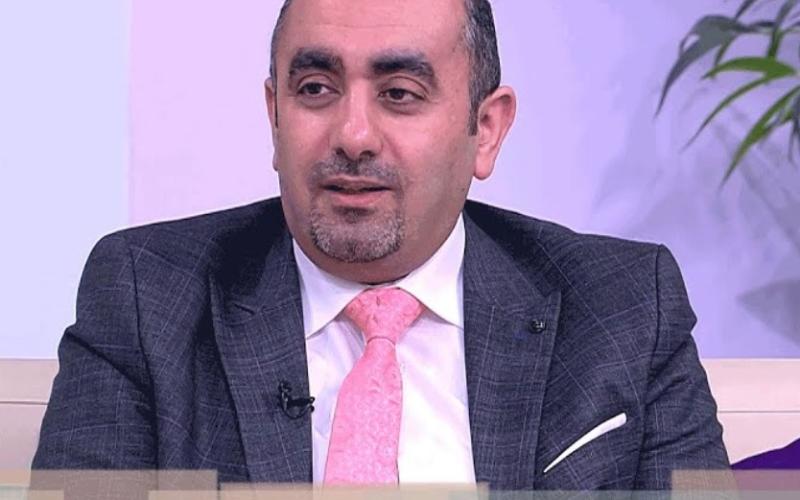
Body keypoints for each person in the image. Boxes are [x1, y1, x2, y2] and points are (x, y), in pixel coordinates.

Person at [32, 0, 729, 490]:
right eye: (315, 88)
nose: (354, 135)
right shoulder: (145, 296)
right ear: (274, 115)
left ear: (486, 130)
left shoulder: (622, 306)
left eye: (399, 93)